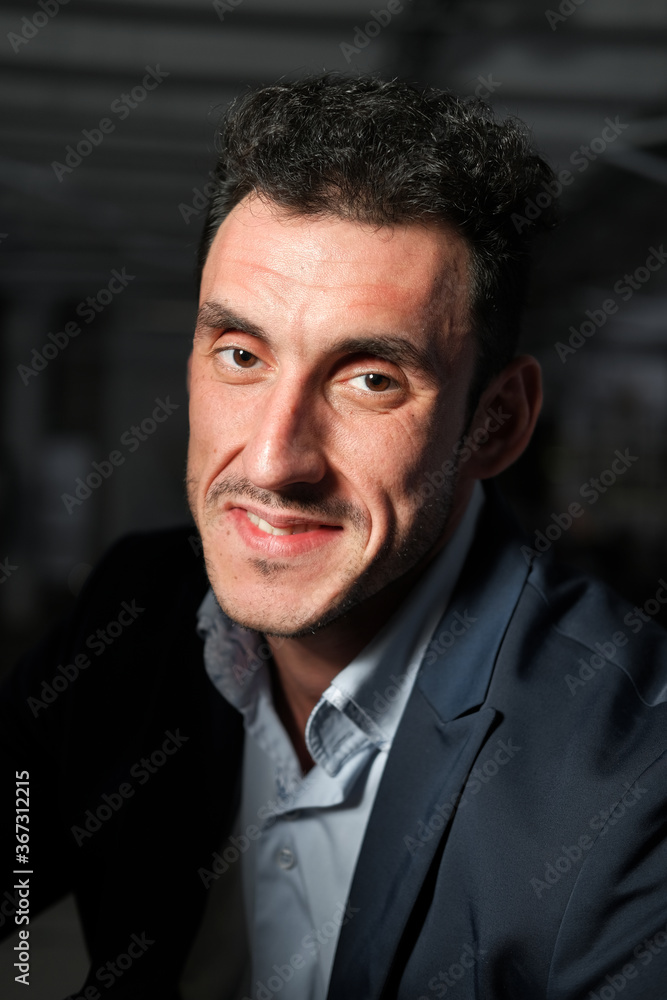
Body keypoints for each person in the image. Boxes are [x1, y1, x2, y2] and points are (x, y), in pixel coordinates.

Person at [2, 74, 666, 1000]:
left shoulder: (633, 775)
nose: (273, 462)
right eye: (242, 355)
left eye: (370, 380)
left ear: (496, 423)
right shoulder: (137, 609)